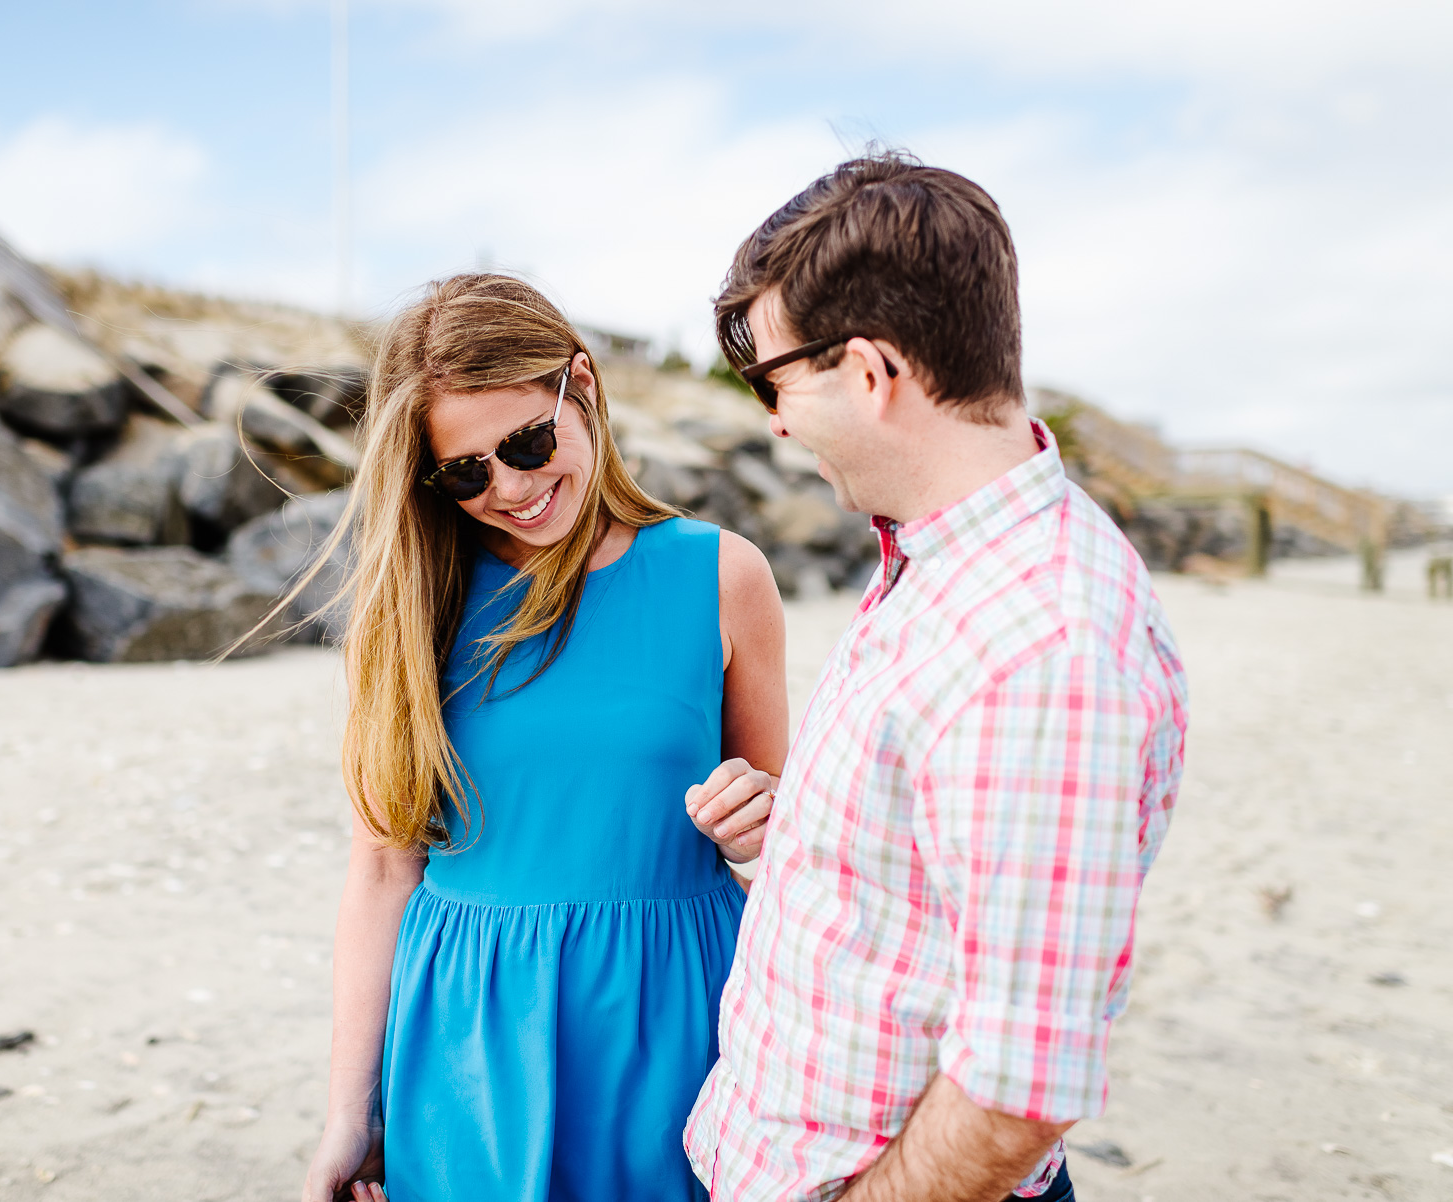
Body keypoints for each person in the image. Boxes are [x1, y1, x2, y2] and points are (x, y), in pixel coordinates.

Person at [682, 153, 1189, 1201]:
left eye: (777, 382)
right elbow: (935, 886)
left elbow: (1019, 1085)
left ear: (869, 374)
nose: (774, 420)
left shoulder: (1039, 643)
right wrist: (807, 836)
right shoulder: (947, 567)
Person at [298, 274, 788, 1202]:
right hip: (466, 1031)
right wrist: (347, 1117)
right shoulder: (407, 612)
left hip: (680, 1014)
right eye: (466, 472)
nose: (513, 489)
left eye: (528, 442)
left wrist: (761, 825)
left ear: (583, 386)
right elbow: (381, 869)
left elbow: (792, 847)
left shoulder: (723, 575)